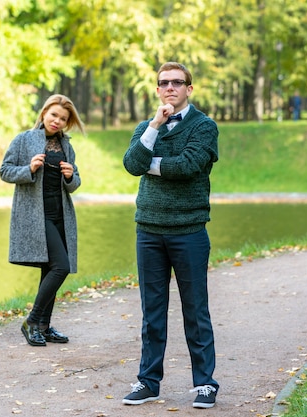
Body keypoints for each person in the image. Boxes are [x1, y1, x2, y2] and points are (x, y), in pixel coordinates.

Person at [122, 62, 220, 409]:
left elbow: (188, 165)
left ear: (189, 89)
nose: (170, 88)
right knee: (152, 312)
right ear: (157, 89)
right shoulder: (146, 127)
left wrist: (152, 165)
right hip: (148, 230)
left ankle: (205, 384)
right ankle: (148, 382)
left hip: (189, 231)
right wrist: (154, 127)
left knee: (195, 310)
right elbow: (131, 164)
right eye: (164, 83)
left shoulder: (204, 126)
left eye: (177, 82)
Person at [0, 94, 85, 347]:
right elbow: (4, 171)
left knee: (51, 269)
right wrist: (29, 169)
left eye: (63, 119)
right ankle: (32, 321)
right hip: (36, 216)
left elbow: (74, 184)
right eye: (54, 115)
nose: (57, 121)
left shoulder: (67, 147)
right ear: (44, 112)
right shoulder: (24, 140)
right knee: (62, 266)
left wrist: (70, 176)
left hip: (61, 214)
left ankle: (43, 327)